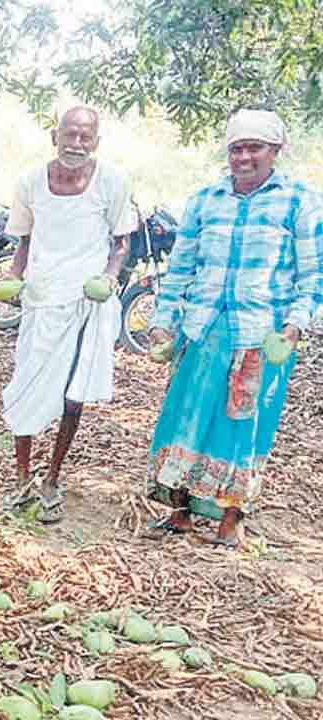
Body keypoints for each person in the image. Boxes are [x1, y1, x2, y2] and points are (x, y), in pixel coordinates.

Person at [144, 108, 322, 549]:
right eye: (236, 148)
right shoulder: (205, 200)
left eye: (254, 148)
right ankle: (181, 511)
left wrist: (295, 327)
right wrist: (164, 323)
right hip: (202, 330)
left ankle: (231, 518)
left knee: (244, 424)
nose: (244, 157)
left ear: (275, 151)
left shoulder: (300, 201)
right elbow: (181, 267)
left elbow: (313, 274)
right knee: (184, 418)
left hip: (260, 336)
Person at [0, 107, 135, 523]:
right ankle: (22, 479)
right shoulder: (30, 183)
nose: (76, 144)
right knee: (24, 390)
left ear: (96, 141)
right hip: (41, 301)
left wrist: (110, 277)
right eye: (69, 135)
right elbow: (23, 242)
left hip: (87, 305)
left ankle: (52, 480)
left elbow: (121, 243)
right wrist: (13, 278)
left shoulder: (112, 182)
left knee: (73, 397)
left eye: (85, 137)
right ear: (54, 137)